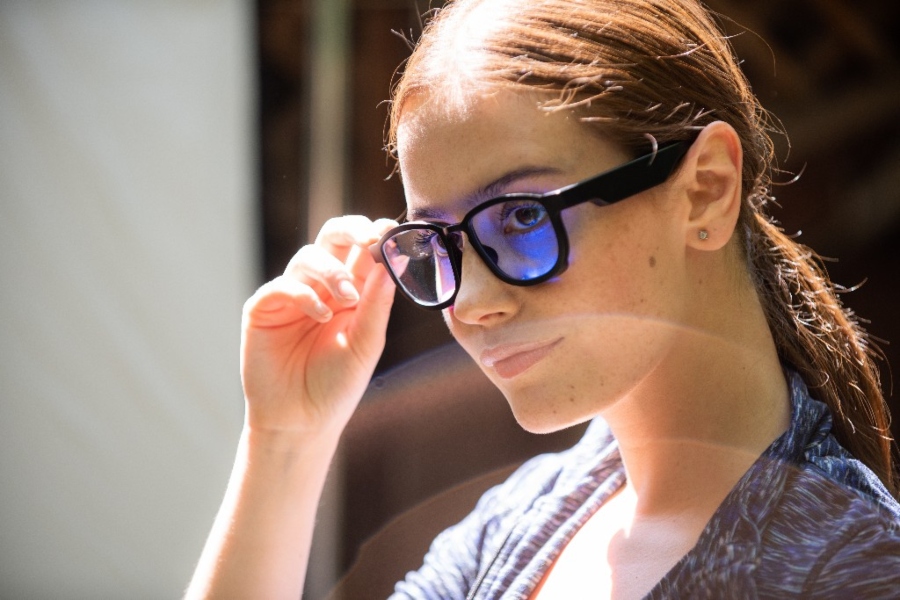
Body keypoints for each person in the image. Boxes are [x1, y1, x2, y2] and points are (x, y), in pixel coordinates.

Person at [186, 0, 900, 597]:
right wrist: (284, 439)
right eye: (438, 245)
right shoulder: (516, 528)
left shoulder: (851, 568)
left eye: (524, 218)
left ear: (707, 189)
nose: (471, 303)